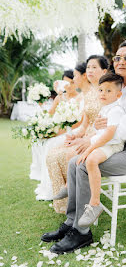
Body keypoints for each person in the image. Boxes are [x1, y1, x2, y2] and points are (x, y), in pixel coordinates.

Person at [41, 40, 126, 254]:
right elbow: (108, 120)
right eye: (117, 58)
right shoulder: (118, 86)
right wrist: (96, 129)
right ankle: (71, 222)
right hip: (121, 146)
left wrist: (93, 141)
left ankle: (82, 232)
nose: (121, 61)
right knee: (73, 161)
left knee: (84, 165)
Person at [46, 56, 108, 213]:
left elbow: (106, 125)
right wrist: (74, 136)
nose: (90, 71)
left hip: (99, 138)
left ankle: (77, 201)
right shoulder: (89, 94)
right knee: (52, 154)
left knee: (69, 154)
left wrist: (86, 138)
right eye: (88, 68)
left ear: (104, 71)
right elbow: (84, 125)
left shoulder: (107, 91)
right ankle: (65, 202)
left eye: (94, 67)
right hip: (86, 135)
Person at [76, 73, 125, 228]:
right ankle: (68, 187)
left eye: (108, 91)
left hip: (112, 144)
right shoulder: (105, 108)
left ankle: (95, 203)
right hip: (103, 141)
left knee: (91, 159)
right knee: (76, 155)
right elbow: (99, 132)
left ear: (119, 94)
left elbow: (109, 134)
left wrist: (90, 148)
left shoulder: (116, 110)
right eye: (101, 90)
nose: (103, 94)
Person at [30, 70, 80, 201]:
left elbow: (77, 124)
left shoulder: (79, 98)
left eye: (71, 82)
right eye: (65, 82)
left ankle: (61, 187)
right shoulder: (59, 97)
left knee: (51, 144)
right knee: (44, 143)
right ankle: (49, 186)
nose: (68, 86)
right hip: (60, 131)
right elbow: (50, 113)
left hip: (73, 133)